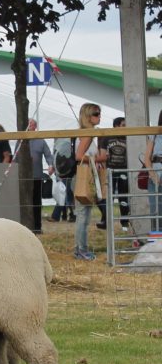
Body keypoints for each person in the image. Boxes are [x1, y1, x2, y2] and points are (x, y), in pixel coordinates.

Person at [73, 103, 106, 261]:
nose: (99, 116)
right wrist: (100, 158)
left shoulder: (85, 133)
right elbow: (79, 156)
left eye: (99, 113)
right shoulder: (88, 134)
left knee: (84, 215)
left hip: (86, 176)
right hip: (84, 177)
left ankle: (81, 248)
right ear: (88, 116)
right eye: (96, 113)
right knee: (83, 216)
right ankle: (81, 250)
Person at [20, 119, 54, 234]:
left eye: (33, 125)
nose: (31, 126)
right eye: (29, 124)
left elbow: (48, 155)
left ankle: (37, 227)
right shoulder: (21, 140)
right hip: (24, 178)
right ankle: (24, 227)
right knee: (24, 202)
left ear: (36, 127)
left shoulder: (41, 141)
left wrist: (50, 165)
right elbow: (14, 157)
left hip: (37, 177)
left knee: (36, 202)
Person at [97, 116, 129, 231]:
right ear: (116, 126)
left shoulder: (128, 137)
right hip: (111, 170)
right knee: (108, 197)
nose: (125, 127)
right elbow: (103, 153)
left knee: (124, 196)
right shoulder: (107, 137)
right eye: (123, 125)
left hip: (124, 170)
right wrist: (105, 170)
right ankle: (106, 220)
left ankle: (125, 222)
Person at [143, 109, 162, 232]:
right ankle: (157, 244)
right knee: (156, 211)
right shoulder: (154, 134)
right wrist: (152, 174)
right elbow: (147, 158)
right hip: (156, 176)